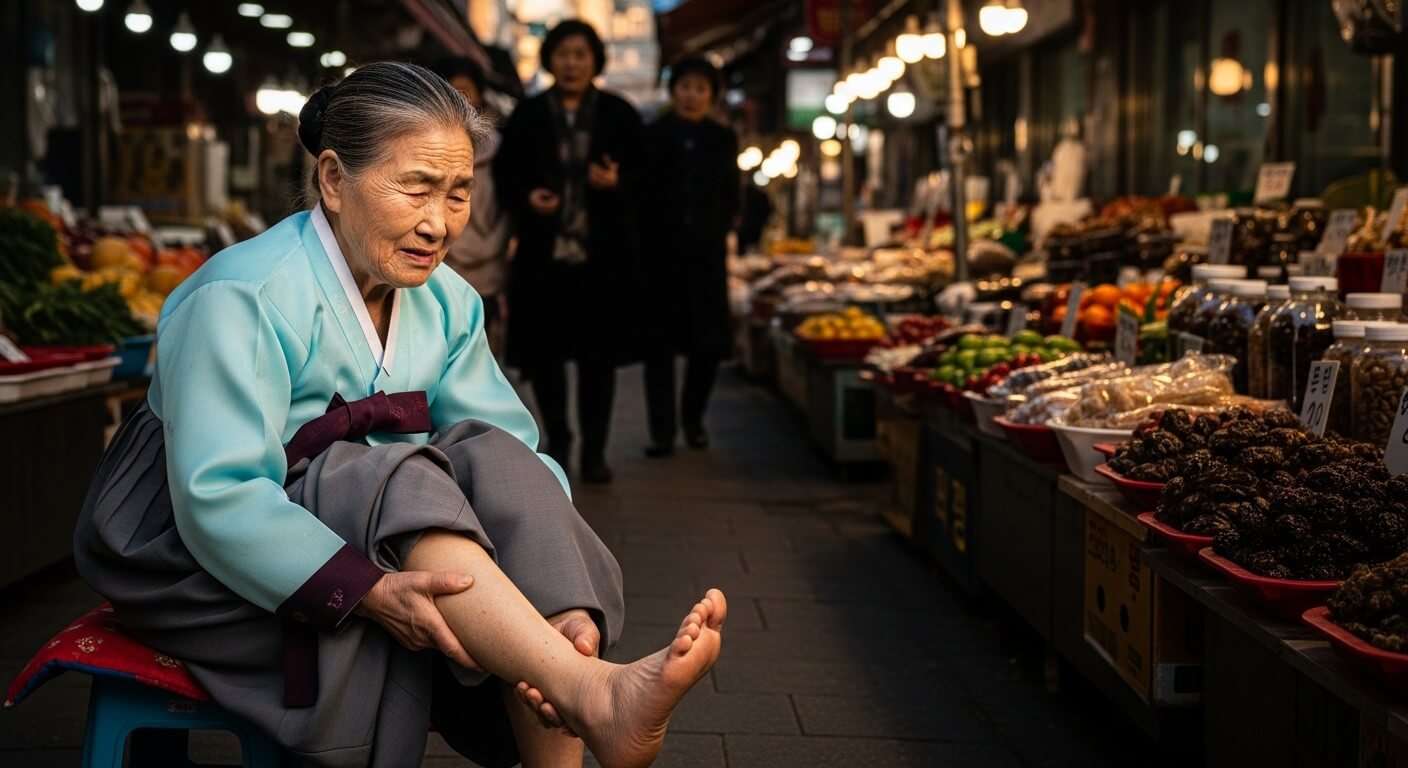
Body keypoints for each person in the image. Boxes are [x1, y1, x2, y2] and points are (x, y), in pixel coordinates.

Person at [72, 61, 724, 768]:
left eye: (457, 194)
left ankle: (571, 668)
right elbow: (219, 497)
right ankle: (591, 695)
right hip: (190, 553)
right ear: (332, 179)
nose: (437, 223)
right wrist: (370, 590)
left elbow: (510, 453)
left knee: (493, 455)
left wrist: (552, 596)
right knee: (395, 473)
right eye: (415, 186)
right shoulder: (242, 296)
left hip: (376, 524)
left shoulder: (448, 302)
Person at [494, 19, 644, 484]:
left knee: (598, 361)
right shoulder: (529, 114)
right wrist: (528, 199)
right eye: (564, 54)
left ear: (596, 59)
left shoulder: (621, 114)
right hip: (544, 258)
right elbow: (505, 177)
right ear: (550, 60)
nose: (572, 63)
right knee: (545, 358)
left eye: (581, 54)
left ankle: (596, 451)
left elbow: (648, 181)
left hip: (603, 261)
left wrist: (619, 184)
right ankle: (559, 439)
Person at [640, 56, 740, 456]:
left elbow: (732, 192)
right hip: (659, 258)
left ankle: (693, 419)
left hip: (706, 257)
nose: (691, 95)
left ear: (712, 96)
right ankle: (662, 433)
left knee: (708, 346)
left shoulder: (722, 139)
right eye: (685, 86)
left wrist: (724, 227)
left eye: (701, 88)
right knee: (659, 351)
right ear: (673, 90)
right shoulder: (652, 135)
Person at [433, 56, 510, 355]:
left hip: (487, 267)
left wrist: (492, 248)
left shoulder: (500, 149)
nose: (460, 96)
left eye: (466, 89)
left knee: (477, 344)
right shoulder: (427, 144)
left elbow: (505, 213)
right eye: (452, 89)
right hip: (440, 261)